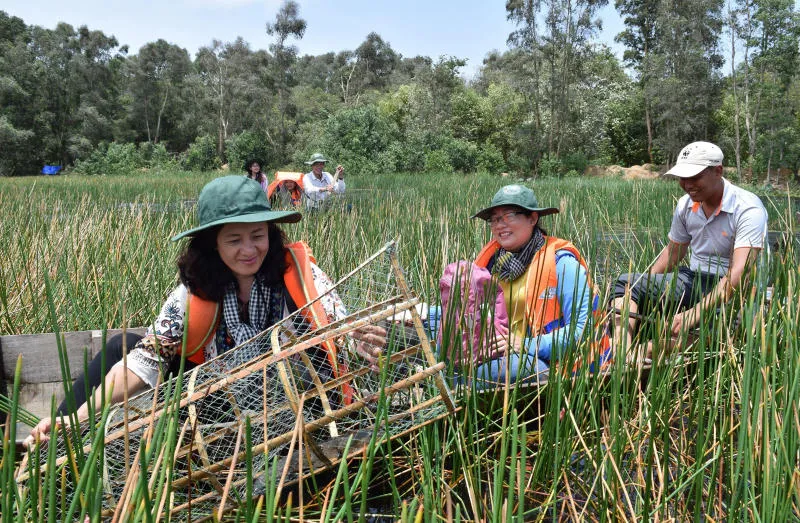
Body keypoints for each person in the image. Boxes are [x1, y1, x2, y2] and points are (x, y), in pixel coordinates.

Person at [27, 176, 383, 445]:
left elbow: (343, 330)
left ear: (270, 234)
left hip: (293, 407)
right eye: (234, 240)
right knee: (121, 347)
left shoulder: (302, 276)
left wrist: (360, 341)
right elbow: (146, 360)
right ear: (213, 245)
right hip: (217, 410)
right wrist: (79, 418)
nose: (249, 250)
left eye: (257, 235)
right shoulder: (194, 290)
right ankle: (57, 440)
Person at [610, 141, 768, 353]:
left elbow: (739, 272)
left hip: (735, 289)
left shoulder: (748, 208)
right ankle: (620, 353)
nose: (687, 184)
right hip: (694, 279)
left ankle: (644, 353)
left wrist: (694, 313)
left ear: (718, 171)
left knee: (715, 332)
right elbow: (673, 253)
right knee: (626, 284)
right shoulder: (686, 204)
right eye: (682, 178)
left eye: (695, 177)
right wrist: (642, 287)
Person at [444, 184, 603, 384]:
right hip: (496, 353)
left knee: (492, 372)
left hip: (548, 360)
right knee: (438, 348)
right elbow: (467, 311)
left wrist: (528, 345)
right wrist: (426, 313)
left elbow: (584, 329)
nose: (499, 225)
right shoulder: (493, 263)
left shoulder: (562, 264)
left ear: (533, 218)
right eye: (494, 219)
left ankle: (453, 386)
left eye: (509, 215)